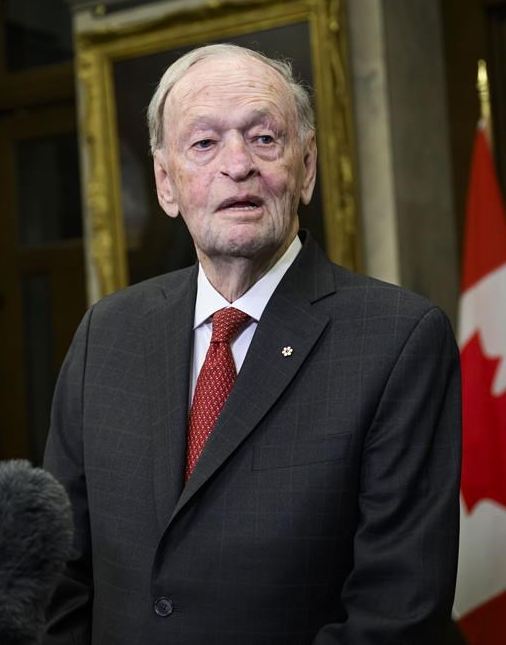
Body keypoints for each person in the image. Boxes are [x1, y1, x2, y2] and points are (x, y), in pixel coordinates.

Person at [43, 43, 461, 644]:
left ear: (307, 166)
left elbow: (396, 613)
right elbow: (60, 572)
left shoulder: (399, 339)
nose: (237, 165)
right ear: (166, 182)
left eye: (264, 138)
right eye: (204, 143)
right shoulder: (106, 333)